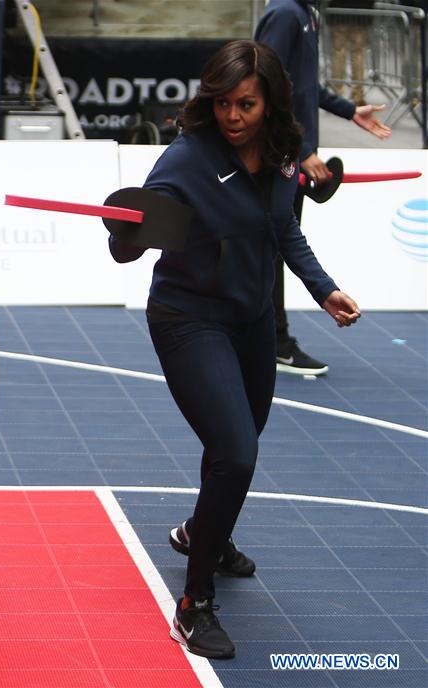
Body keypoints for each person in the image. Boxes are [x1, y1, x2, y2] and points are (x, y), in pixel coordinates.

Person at [108, 40, 361, 658]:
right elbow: (127, 244)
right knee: (236, 450)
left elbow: (283, 229)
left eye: (245, 102)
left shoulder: (278, 155)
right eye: (222, 103)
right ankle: (194, 604)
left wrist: (324, 289)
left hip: (250, 323)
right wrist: (128, 230)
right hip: (189, 319)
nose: (232, 115)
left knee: (238, 443)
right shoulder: (186, 159)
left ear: (270, 102)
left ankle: (205, 535)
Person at [254, 0, 387, 375]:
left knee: (274, 248)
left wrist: (349, 110)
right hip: (279, 156)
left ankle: (269, 340)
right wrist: (302, 149)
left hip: (289, 155)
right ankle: (273, 342)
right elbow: (266, 82)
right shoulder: (286, 13)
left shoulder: (305, 13)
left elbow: (304, 85)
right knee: (273, 247)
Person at [327, 0, 375, 105]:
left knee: (338, 52)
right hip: (361, 14)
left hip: (338, 12)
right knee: (358, 53)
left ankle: (337, 92)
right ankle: (358, 94)